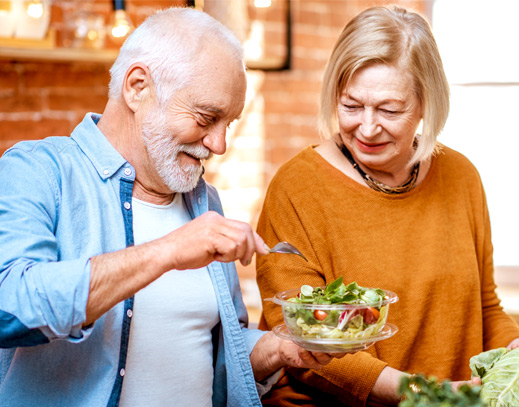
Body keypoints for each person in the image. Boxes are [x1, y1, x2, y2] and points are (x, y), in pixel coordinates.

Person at [0, 7, 344, 407]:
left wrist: (281, 349)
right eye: (206, 117)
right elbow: (9, 305)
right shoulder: (37, 170)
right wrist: (168, 251)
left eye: (228, 124)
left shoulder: (203, 201)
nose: (218, 144)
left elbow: (213, 360)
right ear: (137, 87)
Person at [256, 5, 519, 407]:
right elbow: (301, 345)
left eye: (389, 109)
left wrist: (512, 353)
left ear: (426, 105)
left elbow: (485, 307)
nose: (367, 126)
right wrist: (426, 395)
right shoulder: (297, 187)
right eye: (350, 105)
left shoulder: (462, 176)